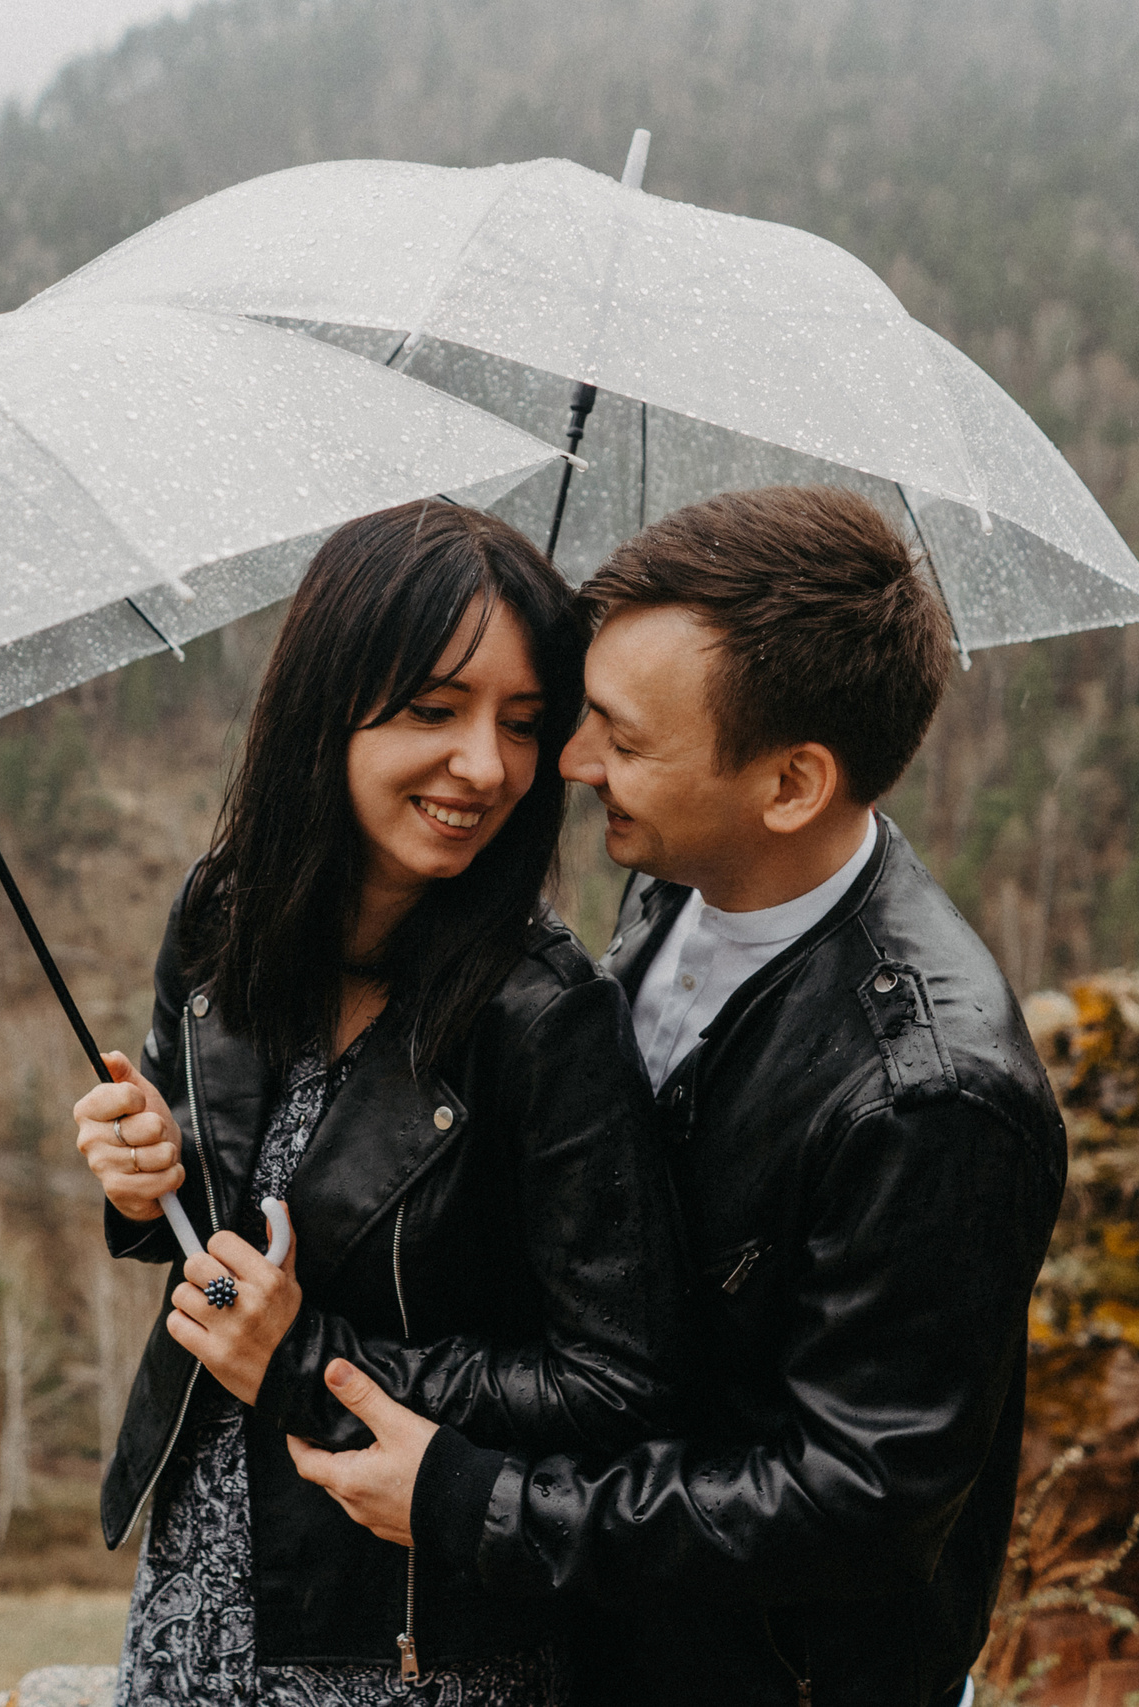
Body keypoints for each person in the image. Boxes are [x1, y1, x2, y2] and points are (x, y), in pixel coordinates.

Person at [288, 486, 1067, 1706]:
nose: (575, 764)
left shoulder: (929, 1099)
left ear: (791, 784)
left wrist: (480, 1502)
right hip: (613, 1642)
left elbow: (856, 1507)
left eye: (624, 741)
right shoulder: (682, 881)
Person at [72, 500, 685, 1707]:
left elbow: (617, 1387)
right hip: (198, 1578)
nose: (487, 768)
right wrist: (147, 1175)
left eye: (522, 723)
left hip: (405, 1638)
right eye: (433, 710)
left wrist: (306, 1358)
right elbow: (223, 1217)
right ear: (326, 704)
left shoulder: (545, 1019)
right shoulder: (221, 917)